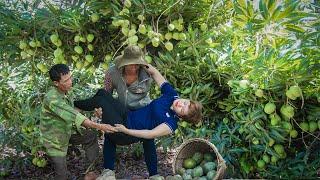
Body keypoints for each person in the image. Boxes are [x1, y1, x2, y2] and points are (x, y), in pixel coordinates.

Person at [74, 64, 202, 177]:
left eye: (182, 109)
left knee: (102, 105)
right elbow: (155, 74)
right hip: (127, 115)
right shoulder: (172, 95)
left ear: (181, 116)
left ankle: (73, 107)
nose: (181, 104)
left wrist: (126, 130)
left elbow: (150, 134)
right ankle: (85, 109)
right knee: (102, 93)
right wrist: (140, 62)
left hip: (126, 132)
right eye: (185, 103)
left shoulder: (171, 124)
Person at [39, 64, 117, 180]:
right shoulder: (52, 99)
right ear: (56, 83)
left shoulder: (66, 91)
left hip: (68, 131)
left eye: (70, 77)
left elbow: (73, 109)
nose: (70, 82)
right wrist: (100, 126)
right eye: (66, 80)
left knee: (90, 137)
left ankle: (90, 172)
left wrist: (94, 110)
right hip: (55, 140)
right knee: (62, 175)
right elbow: (74, 115)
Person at [104, 45, 153, 110]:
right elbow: (106, 93)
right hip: (122, 111)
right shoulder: (112, 73)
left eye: (137, 64)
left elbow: (163, 84)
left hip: (143, 110)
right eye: (131, 64)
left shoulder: (148, 73)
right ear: (124, 62)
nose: (134, 67)